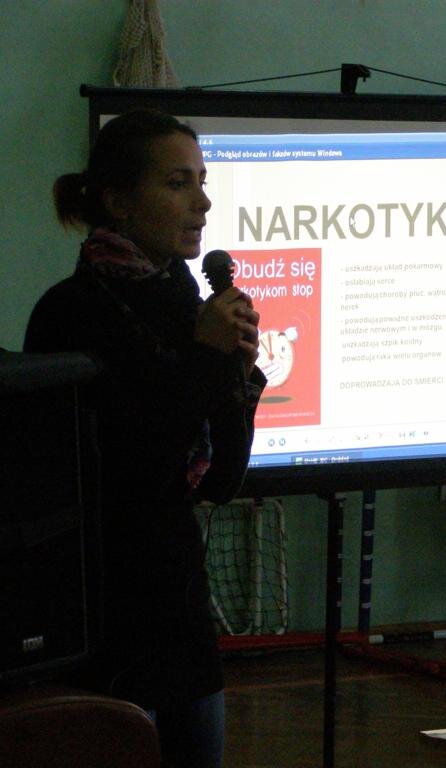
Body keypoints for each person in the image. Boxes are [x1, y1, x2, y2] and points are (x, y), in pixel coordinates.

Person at [23, 109, 265, 767]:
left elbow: (218, 481)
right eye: (177, 183)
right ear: (119, 202)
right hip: (108, 617)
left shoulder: (189, 304)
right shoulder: (72, 313)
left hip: (180, 613)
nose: (202, 202)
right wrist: (206, 359)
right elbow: (133, 472)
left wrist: (238, 377)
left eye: (202, 182)